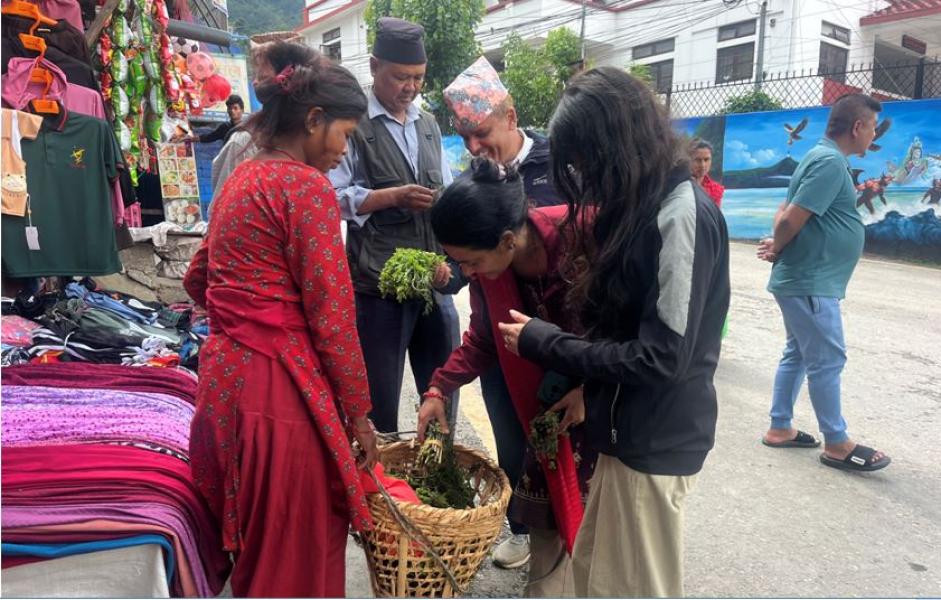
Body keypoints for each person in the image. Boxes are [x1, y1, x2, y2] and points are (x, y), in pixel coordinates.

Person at [498, 67, 730, 597]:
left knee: (636, 588)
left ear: (617, 147)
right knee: (596, 582)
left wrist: (546, 342)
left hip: (653, 442)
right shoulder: (643, 209)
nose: (585, 179)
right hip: (622, 436)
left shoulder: (681, 214)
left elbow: (662, 357)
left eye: (586, 162)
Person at [182, 44, 378, 597]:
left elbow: (198, 279)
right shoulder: (306, 188)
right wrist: (359, 415)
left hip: (224, 383)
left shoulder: (241, 179)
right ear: (313, 120)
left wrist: (244, 312)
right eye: (344, 134)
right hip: (276, 393)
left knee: (255, 550)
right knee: (294, 553)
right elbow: (333, 318)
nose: (344, 151)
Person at [416, 159, 596, 597]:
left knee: (598, 538)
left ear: (507, 239)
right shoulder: (492, 270)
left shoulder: (584, 236)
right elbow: (484, 339)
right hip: (544, 416)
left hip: (604, 413)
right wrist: (440, 386)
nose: (468, 273)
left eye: (471, 261)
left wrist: (591, 389)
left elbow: (631, 330)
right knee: (548, 531)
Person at [438, 55, 568, 569]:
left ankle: (562, 538)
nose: (474, 146)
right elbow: (467, 263)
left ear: (510, 116)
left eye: (482, 132)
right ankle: (525, 527)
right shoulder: (479, 177)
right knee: (513, 442)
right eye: (465, 137)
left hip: (562, 343)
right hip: (499, 333)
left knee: (564, 452)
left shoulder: (561, 166)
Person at [329, 17, 460, 434]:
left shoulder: (428, 125)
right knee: (378, 403)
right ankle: (382, 488)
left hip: (431, 282)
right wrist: (391, 197)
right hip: (378, 286)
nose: (410, 87)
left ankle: (438, 475)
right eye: (400, 77)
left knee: (441, 394)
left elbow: (447, 189)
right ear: (373, 67)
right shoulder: (354, 124)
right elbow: (331, 196)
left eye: (418, 78)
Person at [757, 93, 891, 473]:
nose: (873, 138)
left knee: (798, 353)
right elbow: (787, 220)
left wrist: (778, 245)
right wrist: (779, 245)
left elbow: (783, 214)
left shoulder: (817, 157)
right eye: (873, 129)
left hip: (806, 278)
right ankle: (837, 442)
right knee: (827, 359)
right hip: (811, 281)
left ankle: (780, 427)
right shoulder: (830, 163)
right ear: (858, 127)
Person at [209, 43, 317, 199]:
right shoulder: (243, 142)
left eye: (262, 77)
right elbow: (222, 209)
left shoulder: (311, 139)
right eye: (257, 77)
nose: (256, 83)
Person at [689, 137, 724, 206]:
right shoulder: (680, 185)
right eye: (698, 160)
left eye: (706, 159)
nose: (702, 165)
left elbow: (716, 215)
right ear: (689, 160)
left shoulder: (716, 190)